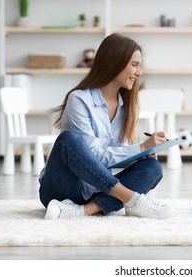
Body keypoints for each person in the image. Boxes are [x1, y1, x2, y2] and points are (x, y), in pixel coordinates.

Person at [39, 33, 173, 220]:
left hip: (97, 190)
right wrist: (141, 147)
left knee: (152, 167)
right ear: (114, 63)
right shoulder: (79, 99)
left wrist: (141, 154)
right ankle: (132, 200)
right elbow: (94, 155)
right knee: (69, 140)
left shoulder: (125, 107)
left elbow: (114, 156)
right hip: (63, 190)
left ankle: (83, 211)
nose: (139, 72)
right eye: (134, 65)